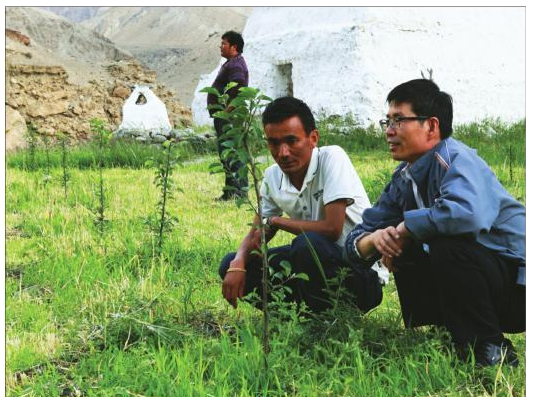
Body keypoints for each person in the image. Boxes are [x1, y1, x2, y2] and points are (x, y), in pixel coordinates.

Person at [344, 79, 525, 367]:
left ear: (431, 125)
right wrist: (375, 241)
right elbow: (358, 236)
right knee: (410, 241)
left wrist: (405, 229)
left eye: (399, 120)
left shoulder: (456, 159)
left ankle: (490, 347)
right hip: (490, 282)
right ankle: (450, 332)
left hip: (519, 287)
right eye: (387, 121)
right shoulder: (405, 177)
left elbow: (466, 215)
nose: (389, 131)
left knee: (443, 240)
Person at [219, 97, 386, 314]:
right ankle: (298, 317)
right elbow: (257, 233)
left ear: (313, 138)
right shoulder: (272, 176)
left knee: (306, 244)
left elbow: (332, 229)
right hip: (313, 264)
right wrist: (238, 261)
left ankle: (332, 318)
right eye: (274, 143)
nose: (283, 153)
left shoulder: (332, 158)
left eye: (292, 141)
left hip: (361, 275)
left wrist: (277, 221)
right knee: (230, 263)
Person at [207, 30, 249, 201]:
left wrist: (225, 113)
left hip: (230, 118)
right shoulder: (231, 63)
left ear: (234, 47)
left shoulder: (236, 65)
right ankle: (230, 192)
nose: (221, 46)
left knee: (232, 154)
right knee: (226, 154)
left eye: (224, 43)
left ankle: (238, 192)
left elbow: (238, 92)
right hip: (225, 118)